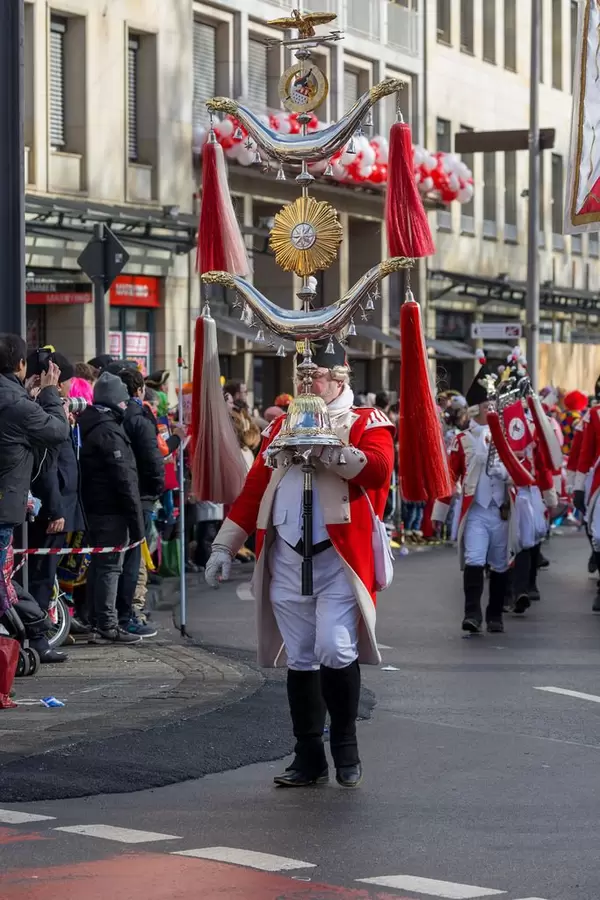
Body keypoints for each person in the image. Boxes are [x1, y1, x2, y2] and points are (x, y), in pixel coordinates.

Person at [204, 338, 395, 789]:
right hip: (286, 554)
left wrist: (328, 449)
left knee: (334, 646)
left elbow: (379, 469)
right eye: (303, 377)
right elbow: (254, 489)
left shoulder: (365, 420)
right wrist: (224, 546)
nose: (309, 384)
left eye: (320, 377)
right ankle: (308, 754)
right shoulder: (280, 426)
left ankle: (345, 746)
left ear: (341, 378)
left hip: (337, 559)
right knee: (302, 657)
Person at [432, 364, 513, 634]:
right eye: (488, 406)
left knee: (500, 563)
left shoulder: (509, 438)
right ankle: (472, 613)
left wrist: (508, 473)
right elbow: (449, 477)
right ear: (477, 409)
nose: (493, 410)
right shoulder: (462, 439)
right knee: (474, 559)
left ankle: (494, 614)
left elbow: (524, 472)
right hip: (476, 510)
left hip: (501, 510)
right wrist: (438, 515)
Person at [0, 335, 70, 619]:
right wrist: (51, 393)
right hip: (5, 505)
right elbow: (56, 432)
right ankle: (31, 631)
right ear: (20, 364)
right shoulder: (15, 405)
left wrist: (26, 394)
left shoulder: (14, 400)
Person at [26, 349, 87, 663]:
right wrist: (55, 510)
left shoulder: (51, 408)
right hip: (50, 508)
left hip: (54, 504)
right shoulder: (43, 409)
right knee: (40, 575)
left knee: (43, 576)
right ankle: (35, 640)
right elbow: (48, 467)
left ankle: (36, 635)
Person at [78, 372, 144, 643]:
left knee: (99, 566)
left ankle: (95, 620)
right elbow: (124, 478)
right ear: (116, 401)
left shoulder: (89, 423)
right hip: (111, 511)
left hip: (93, 508)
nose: (127, 406)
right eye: (125, 401)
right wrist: (136, 522)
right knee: (110, 568)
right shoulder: (109, 430)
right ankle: (106, 624)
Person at [114, 368, 166, 637]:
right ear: (139, 390)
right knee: (134, 561)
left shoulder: (114, 415)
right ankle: (128, 614)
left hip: (123, 495)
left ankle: (121, 614)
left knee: (120, 561)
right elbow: (152, 459)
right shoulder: (138, 417)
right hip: (139, 497)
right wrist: (155, 489)